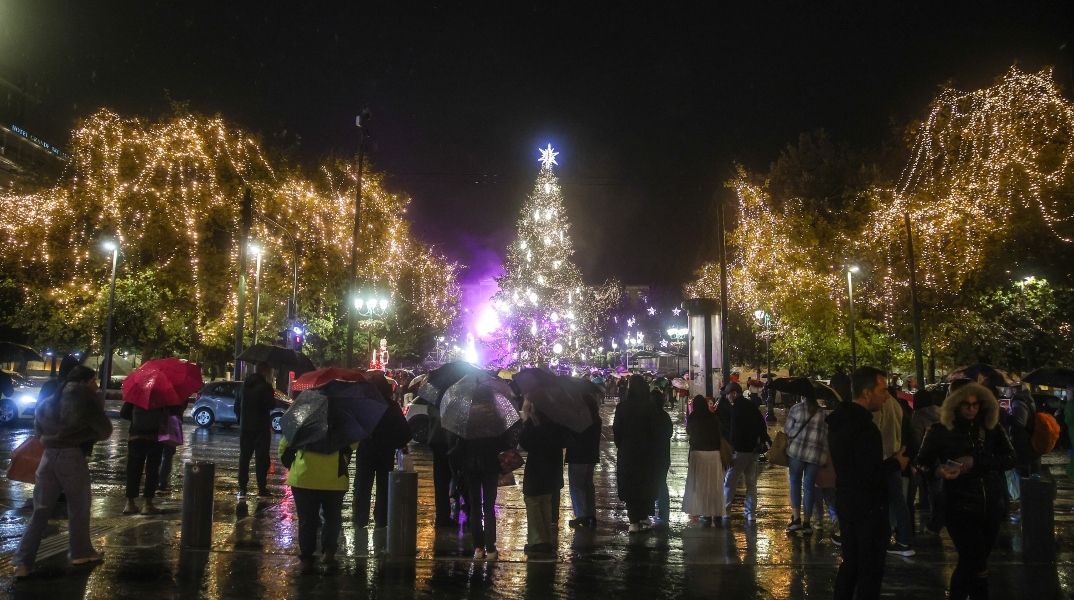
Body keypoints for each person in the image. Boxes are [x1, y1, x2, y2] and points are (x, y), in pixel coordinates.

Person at [916, 382, 1015, 600]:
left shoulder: (992, 428)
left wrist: (975, 461)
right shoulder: (940, 430)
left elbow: (1010, 458)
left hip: (991, 506)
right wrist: (937, 471)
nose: (971, 409)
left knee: (968, 563)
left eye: (975, 404)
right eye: (965, 404)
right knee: (978, 567)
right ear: (954, 404)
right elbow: (921, 462)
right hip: (958, 506)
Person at [13, 366, 113, 578]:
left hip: (47, 457)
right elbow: (105, 431)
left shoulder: (51, 399)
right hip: (71, 457)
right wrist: (87, 435)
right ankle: (80, 551)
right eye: (94, 380)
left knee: (40, 511)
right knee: (79, 506)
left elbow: (38, 431)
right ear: (85, 382)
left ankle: (22, 562)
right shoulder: (86, 400)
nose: (95, 385)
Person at [827, 366, 909, 600]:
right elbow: (869, 472)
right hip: (867, 508)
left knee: (851, 564)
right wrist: (896, 463)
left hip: (847, 500)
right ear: (866, 393)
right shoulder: (864, 427)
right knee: (870, 569)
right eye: (882, 390)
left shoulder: (839, 421)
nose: (887, 395)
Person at [278, 435, 356, 575]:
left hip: (304, 478)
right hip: (335, 479)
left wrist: (293, 463)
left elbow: (284, 448)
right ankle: (329, 552)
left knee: (307, 521)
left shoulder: (303, 420)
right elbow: (353, 443)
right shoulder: (341, 422)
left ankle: (306, 559)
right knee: (332, 518)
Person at [519, 399, 567, 555]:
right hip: (552, 468)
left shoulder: (532, 424)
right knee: (545, 500)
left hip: (537, 468)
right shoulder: (556, 421)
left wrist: (526, 421)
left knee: (532, 500)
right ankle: (545, 538)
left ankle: (537, 541)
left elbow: (524, 443)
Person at [873, 385, 917, 556]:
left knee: (891, 500)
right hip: (897, 458)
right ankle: (904, 539)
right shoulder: (897, 406)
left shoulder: (881, 406)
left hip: (889, 459)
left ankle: (899, 538)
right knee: (899, 500)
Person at [454, 431, 511, 560]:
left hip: (471, 468)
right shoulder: (494, 421)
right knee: (489, 507)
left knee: (475, 507)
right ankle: (490, 548)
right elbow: (504, 444)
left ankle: (478, 548)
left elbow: (459, 446)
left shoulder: (467, 421)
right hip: (490, 468)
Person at [613, 375, 658, 533]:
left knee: (630, 484)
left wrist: (622, 446)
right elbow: (655, 431)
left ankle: (633, 520)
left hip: (628, 451)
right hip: (646, 453)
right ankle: (643, 514)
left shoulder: (622, 407)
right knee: (644, 483)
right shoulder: (650, 407)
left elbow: (616, 431)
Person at [355, 397, 409, 528]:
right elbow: (405, 431)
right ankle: (381, 519)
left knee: (363, 486)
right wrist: (396, 443)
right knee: (384, 487)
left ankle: (360, 519)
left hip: (366, 452)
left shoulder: (363, 404)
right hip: (385, 452)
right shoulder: (391, 406)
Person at [723, 382, 770, 521]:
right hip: (753, 449)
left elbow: (735, 430)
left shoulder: (736, 408)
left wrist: (732, 445)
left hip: (741, 449)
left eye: (728, 394)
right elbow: (762, 425)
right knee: (751, 482)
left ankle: (725, 509)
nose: (727, 396)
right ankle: (751, 513)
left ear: (734, 393)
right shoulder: (751, 406)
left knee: (730, 480)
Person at [784, 393, 828, 535]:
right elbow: (825, 434)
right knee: (809, 486)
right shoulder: (823, 414)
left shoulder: (796, 409)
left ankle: (796, 519)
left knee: (795, 482)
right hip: (815, 455)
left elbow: (788, 430)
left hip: (796, 452)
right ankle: (807, 523)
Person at [234, 362, 277, 500]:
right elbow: (271, 405)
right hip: (261, 428)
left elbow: (236, 408)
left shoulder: (243, 387)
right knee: (262, 458)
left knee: (244, 458)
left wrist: (242, 420)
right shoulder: (265, 387)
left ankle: (242, 488)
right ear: (265, 371)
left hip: (245, 428)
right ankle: (261, 488)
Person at [120, 394, 168, 515]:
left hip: (135, 437)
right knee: (152, 470)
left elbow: (124, 413)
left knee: (133, 470)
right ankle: (148, 504)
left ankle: (130, 503)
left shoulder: (136, 395)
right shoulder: (161, 396)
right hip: (154, 438)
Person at [683, 395, 726, 525]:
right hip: (714, 454)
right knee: (714, 485)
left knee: (700, 485)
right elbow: (720, 433)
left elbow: (690, 432)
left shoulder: (693, 417)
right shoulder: (713, 417)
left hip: (698, 454)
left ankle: (705, 514)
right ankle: (717, 513)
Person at [566, 391, 602, 529]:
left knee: (577, 486)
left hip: (578, 456)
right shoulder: (596, 417)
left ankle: (582, 515)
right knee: (588, 485)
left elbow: (571, 435)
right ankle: (591, 513)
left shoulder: (579, 418)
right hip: (591, 455)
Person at [910, 387, 944, 532]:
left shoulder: (918, 415)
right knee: (936, 489)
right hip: (942, 456)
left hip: (927, 457)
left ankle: (935, 522)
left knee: (927, 489)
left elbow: (917, 438)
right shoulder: (941, 412)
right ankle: (935, 519)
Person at [651, 389, 673, 531]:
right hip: (664, 455)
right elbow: (669, 433)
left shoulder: (649, 416)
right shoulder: (665, 417)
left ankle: (655, 511)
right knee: (661, 484)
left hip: (652, 455)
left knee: (654, 484)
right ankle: (663, 513)